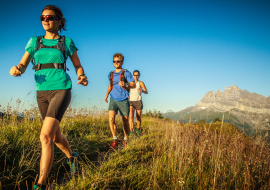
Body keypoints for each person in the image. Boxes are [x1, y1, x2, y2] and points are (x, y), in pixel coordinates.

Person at [9, 5, 88, 190]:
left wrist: (82, 76)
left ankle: (41, 184)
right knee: (54, 137)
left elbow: (78, 65)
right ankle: (72, 157)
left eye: (50, 17)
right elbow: (23, 62)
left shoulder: (65, 41)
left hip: (61, 88)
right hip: (41, 92)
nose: (46, 20)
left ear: (59, 21)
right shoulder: (34, 41)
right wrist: (18, 69)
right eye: (42, 17)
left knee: (45, 136)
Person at [104, 53, 135, 149]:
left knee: (125, 121)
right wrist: (106, 96)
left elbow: (133, 84)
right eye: (114, 61)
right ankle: (115, 139)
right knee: (111, 119)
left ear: (122, 62)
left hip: (123, 99)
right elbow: (110, 85)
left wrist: (126, 85)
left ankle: (126, 139)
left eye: (118, 61)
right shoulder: (111, 74)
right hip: (113, 98)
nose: (116, 63)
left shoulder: (126, 73)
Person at [129, 70, 148, 136]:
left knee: (138, 117)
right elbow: (127, 90)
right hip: (131, 101)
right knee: (131, 117)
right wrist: (127, 95)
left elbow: (146, 91)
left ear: (139, 76)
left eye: (137, 75)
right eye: (134, 75)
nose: (136, 76)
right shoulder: (131, 83)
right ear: (133, 75)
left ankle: (138, 129)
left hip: (138, 101)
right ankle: (131, 131)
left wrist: (142, 90)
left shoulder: (140, 83)